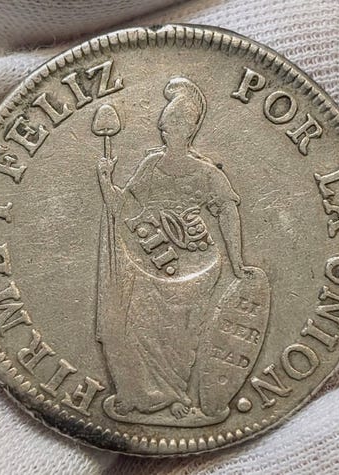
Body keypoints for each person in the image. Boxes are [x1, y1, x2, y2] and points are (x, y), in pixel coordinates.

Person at [96, 77, 247, 423]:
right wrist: (105, 181)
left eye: (171, 125)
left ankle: (177, 394)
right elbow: (123, 207)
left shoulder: (208, 174)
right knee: (136, 324)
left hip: (195, 265)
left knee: (180, 334)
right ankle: (139, 395)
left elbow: (228, 215)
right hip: (150, 257)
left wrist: (237, 262)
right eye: (163, 125)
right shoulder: (151, 166)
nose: (163, 130)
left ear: (188, 129)